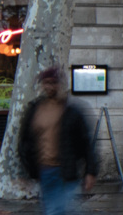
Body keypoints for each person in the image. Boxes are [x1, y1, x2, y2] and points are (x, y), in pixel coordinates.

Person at [16, 66, 98, 215]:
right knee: (56, 209)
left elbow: (86, 143)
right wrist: (25, 170)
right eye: (46, 83)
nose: (50, 86)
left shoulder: (72, 111)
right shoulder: (35, 109)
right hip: (44, 171)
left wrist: (90, 172)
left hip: (65, 171)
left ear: (60, 84)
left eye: (53, 82)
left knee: (57, 210)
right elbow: (25, 141)